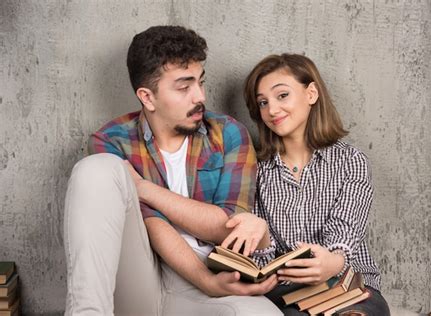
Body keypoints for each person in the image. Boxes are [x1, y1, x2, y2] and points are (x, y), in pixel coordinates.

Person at [64, 25, 282, 316]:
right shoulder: (111, 140)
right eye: (184, 87)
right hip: (138, 277)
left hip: (207, 281)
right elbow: (151, 223)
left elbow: (229, 225)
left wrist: (144, 188)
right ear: (147, 97)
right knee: (95, 170)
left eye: (200, 82)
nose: (200, 96)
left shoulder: (228, 133)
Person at [242, 53, 391, 315]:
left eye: (282, 95)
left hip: (349, 284)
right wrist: (263, 240)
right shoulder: (255, 169)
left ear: (311, 93)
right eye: (263, 102)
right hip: (288, 289)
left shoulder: (351, 161)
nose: (272, 110)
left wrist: (332, 261)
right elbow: (261, 261)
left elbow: (347, 228)